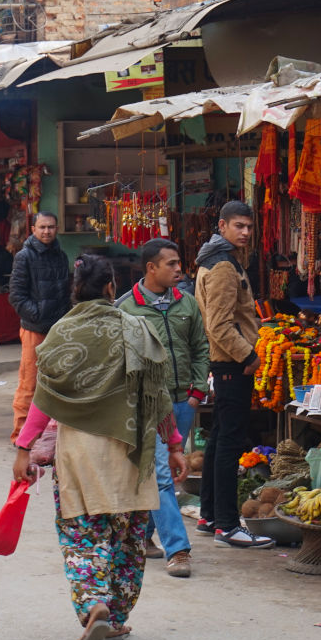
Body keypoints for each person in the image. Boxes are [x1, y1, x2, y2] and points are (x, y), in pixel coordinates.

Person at [11, 254, 187, 640]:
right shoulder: (136, 328)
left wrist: (24, 448)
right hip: (131, 452)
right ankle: (119, 615)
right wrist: (174, 445)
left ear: (76, 290)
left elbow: (44, 399)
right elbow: (157, 395)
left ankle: (94, 605)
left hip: (80, 457)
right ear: (111, 287)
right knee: (127, 538)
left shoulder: (60, 334)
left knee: (82, 535)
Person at [116, 237, 209, 578]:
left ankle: (142, 535)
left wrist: (198, 391)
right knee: (161, 475)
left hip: (183, 400)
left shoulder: (187, 304)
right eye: (171, 264)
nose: (179, 269)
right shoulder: (126, 309)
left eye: (178, 263)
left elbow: (200, 347)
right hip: (148, 406)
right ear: (151, 268)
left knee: (164, 470)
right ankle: (179, 549)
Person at [194, 201, 272, 549]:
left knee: (218, 438)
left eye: (249, 227)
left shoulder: (215, 259)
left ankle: (209, 516)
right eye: (238, 226)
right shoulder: (224, 266)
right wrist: (250, 356)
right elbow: (219, 325)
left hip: (223, 363)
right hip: (231, 363)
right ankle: (227, 524)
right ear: (222, 226)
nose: (245, 232)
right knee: (229, 442)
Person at [7, 212, 70, 441]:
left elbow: (65, 294)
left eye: (51, 227)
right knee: (29, 383)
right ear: (33, 229)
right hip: (35, 329)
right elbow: (16, 297)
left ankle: (50, 437)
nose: (47, 231)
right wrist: (39, 316)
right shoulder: (24, 257)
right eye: (42, 227)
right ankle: (20, 436)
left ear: (57, 228)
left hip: (59, 331)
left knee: (58, 382)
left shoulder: (61, 256)